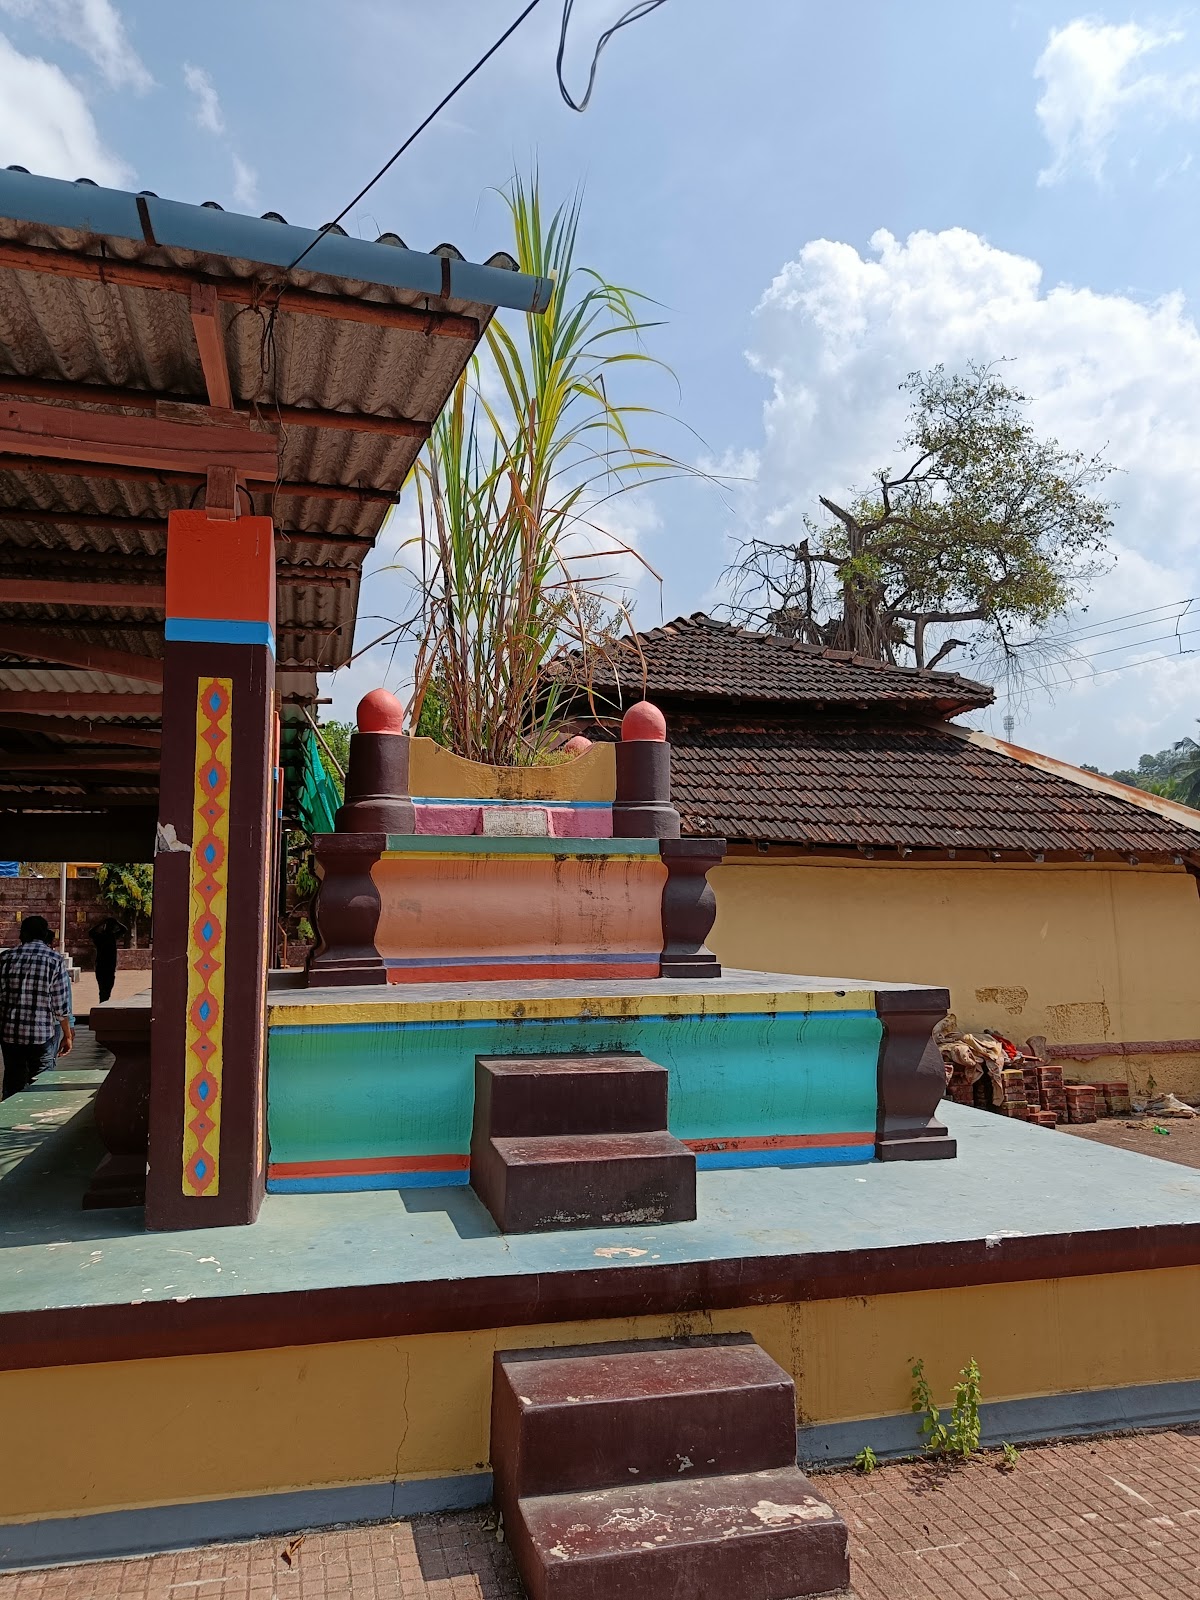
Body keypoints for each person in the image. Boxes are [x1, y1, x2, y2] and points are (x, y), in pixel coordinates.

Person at [0, 916, 73, 1099]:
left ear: (22, 934)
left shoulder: (6, 958)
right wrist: (68, 1035)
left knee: (13, 1084)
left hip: (10, 1035)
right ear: (44, 934)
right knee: (42, 1087)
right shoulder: (54, 960)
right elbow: (61, 1006)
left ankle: (9, 1121)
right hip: (42, 1036)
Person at [88, 914, 129, 1005]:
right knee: (106, 988)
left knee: (103, 989)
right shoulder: (110, 937)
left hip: (102, 966)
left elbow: (91, 932)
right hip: (108, 966)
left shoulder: (102, 937)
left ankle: (103, 1003)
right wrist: (116, 922)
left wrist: (101, 923)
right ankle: (103, 1003)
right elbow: (124, 929)